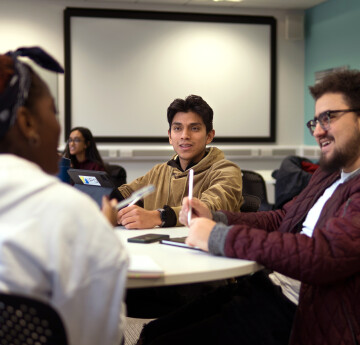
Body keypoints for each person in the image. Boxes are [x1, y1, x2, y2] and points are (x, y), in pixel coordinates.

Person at [136, 70, 360, 345]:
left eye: (329, 117)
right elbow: (282, 218)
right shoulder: (329, 173)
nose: (318, 130)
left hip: (301, 311)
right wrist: (216, 218)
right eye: (315, 120)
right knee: (152, 333)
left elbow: (323, 255)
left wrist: (219, 236)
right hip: (269, 285)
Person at [0, 47, 128, 345]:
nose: (62, 134)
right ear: (27, 122)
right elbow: (102, 336)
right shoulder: (71, 216)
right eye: (53, 112)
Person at [114, 94, 243, 229]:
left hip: (202, 247)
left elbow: (209, 208)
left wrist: (158, 217)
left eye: (194, 128)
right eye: (177, 128)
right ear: (170, 136)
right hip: (154, 249)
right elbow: (126, 194)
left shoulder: (227, 171)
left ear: (209, 136)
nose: (184, 136)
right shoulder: (159, 172)